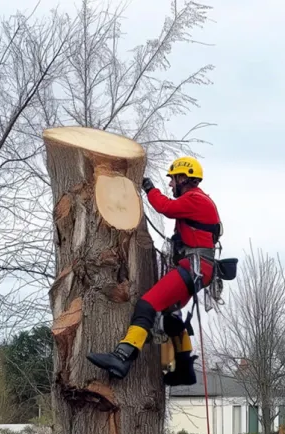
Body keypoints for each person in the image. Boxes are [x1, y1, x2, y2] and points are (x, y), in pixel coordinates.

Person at [87, 155, 221, 385]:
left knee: (147, 304)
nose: (170, 184)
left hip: (194, 267)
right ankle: (184, 368)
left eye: (173, 180)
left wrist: (149, 189)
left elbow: (165, 207)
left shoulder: (195, 199)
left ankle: (123, 356)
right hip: (197, 268)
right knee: (169, 315)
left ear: (184, 178)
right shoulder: (199, 201)